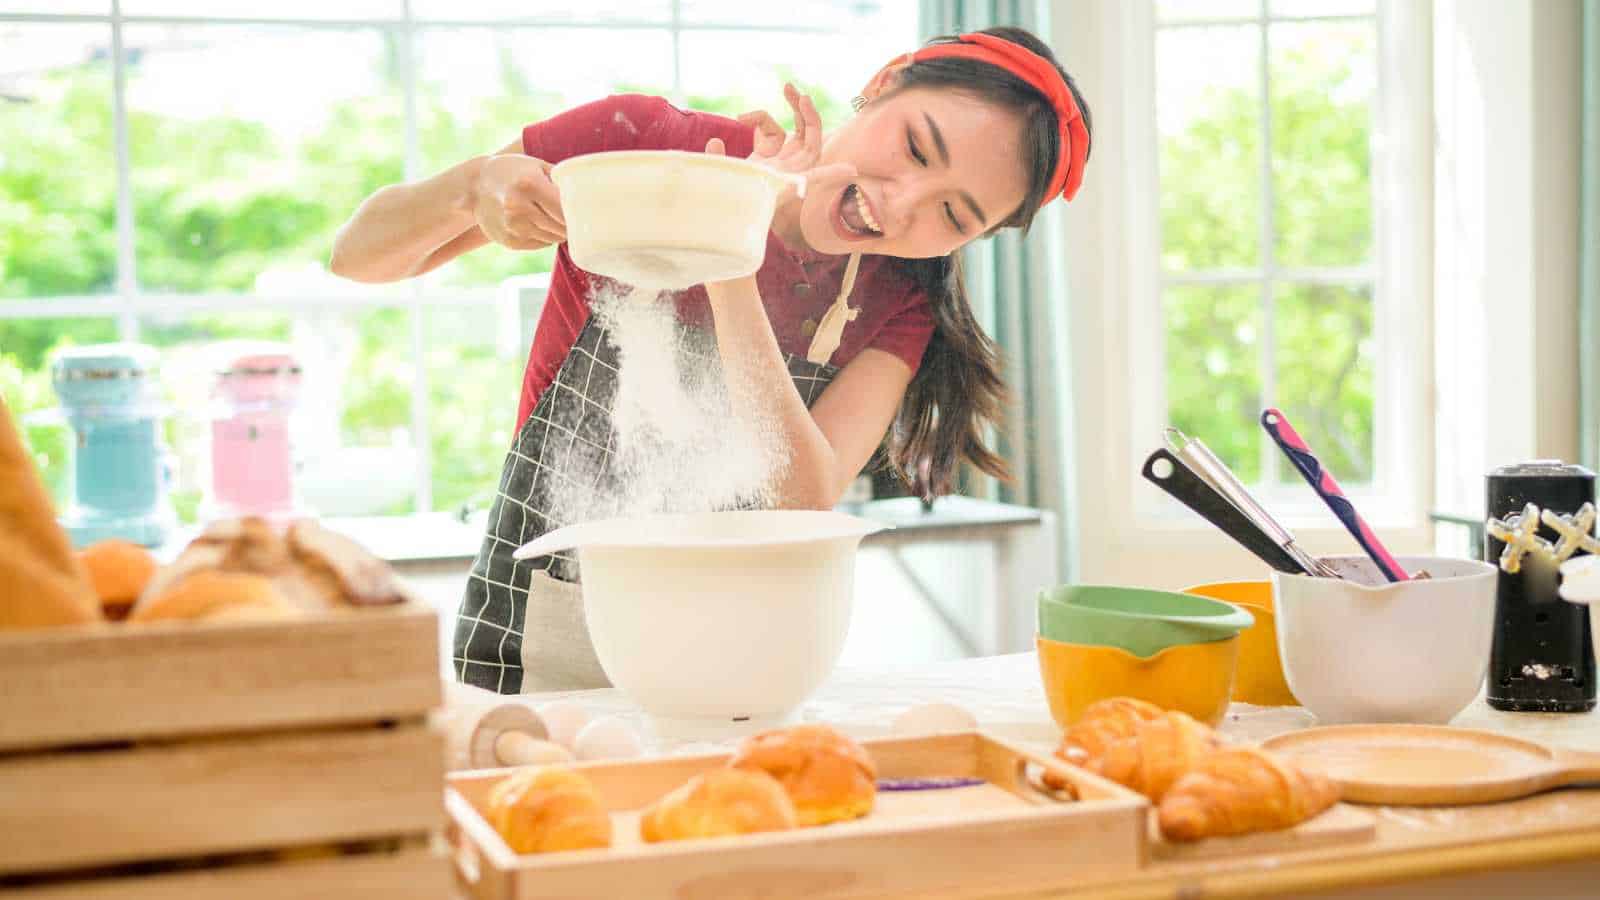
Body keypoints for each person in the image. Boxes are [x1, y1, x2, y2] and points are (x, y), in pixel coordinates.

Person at [330, 26, 1093, 694]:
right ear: (881, 85)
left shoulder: (898, 305)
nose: (901, 205)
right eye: (916, 148)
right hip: (540, 651)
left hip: (737, 670)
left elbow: (801, 495)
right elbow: (358, 256)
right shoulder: (642, 145)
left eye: (954, 214)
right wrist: (474, 188)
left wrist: (729, 239)